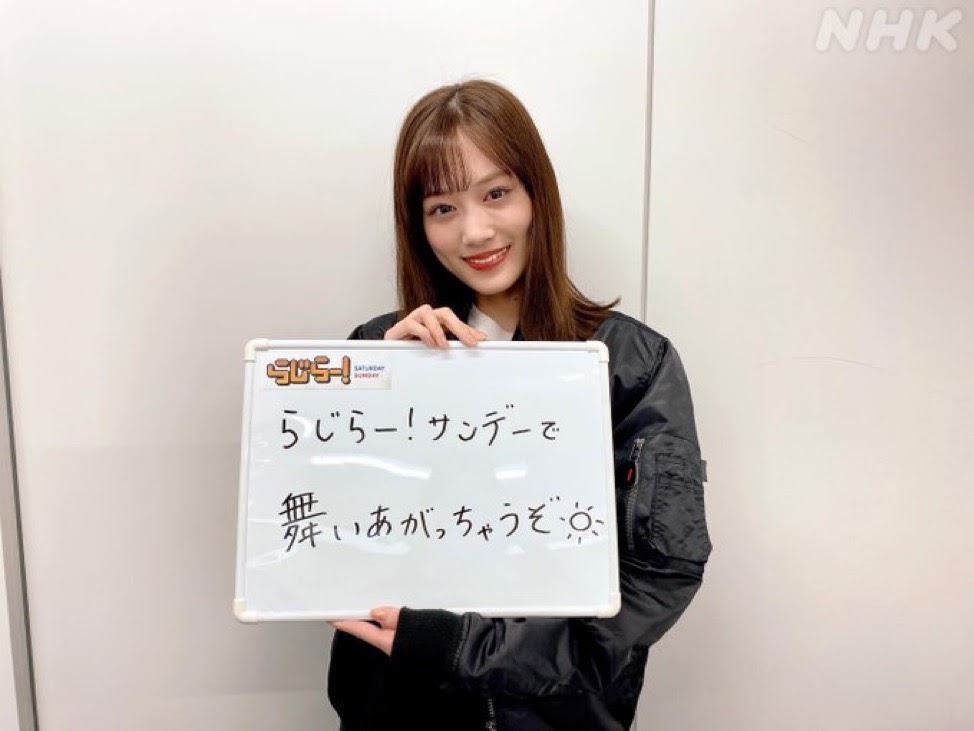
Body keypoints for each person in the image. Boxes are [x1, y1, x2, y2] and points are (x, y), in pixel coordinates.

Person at [327, 79, 712, 731]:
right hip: (398, 713)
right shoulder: (376, 349)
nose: (475, 231)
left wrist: (458, 647)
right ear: (418, 225)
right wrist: (377, 393)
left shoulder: (631, 363)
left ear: (536, 194)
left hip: (556, 717)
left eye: (496, 193)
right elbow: (315, 544)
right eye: (442, 207)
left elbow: (657, 575)